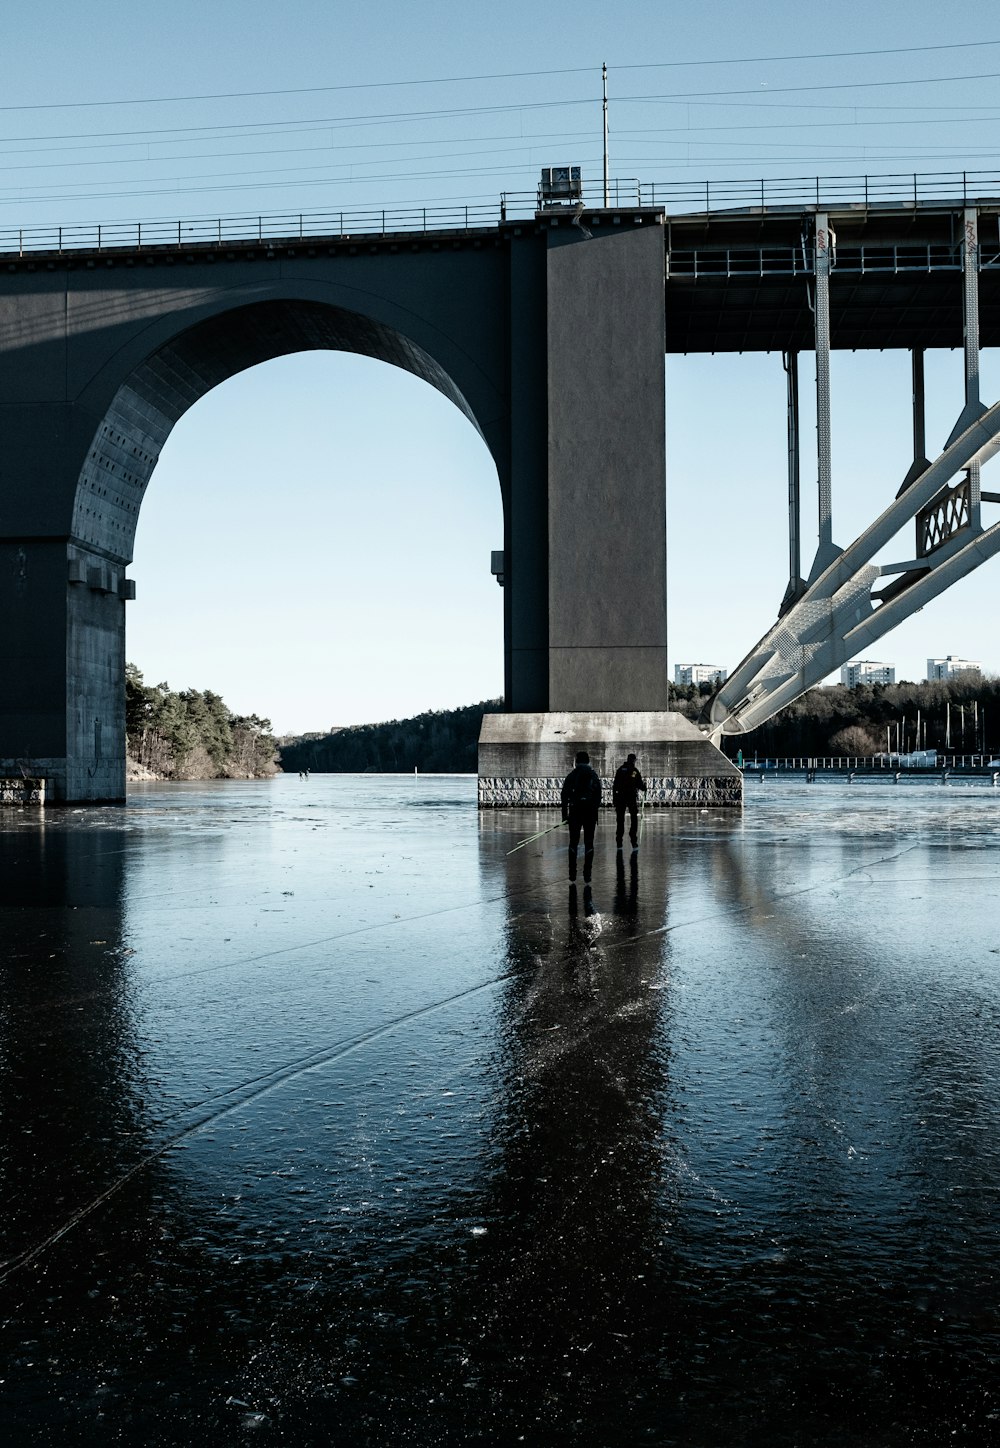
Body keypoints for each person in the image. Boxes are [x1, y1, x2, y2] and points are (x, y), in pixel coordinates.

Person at [561, 750, 602, 885]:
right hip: (590, 813)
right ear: (588, 761)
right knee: (589, 843)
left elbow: (564, 796)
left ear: (576, 761)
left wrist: (565, 815)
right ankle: (587, 874)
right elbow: (598, 796)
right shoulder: (593, 775)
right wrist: (594, 811)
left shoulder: (572, 776)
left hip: (575, 812)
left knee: (573, 842)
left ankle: (572, 874)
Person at [612, 752, 646, 851]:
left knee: (620, 820)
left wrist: (614, 799)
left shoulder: (620, 770)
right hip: (630, 797)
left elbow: (615, 786)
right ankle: (633, 840)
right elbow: (638, 783)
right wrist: (644, 787)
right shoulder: (634, 771)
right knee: (634, 819)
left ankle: (619, 842)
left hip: (620, 798)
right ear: (633, 761)